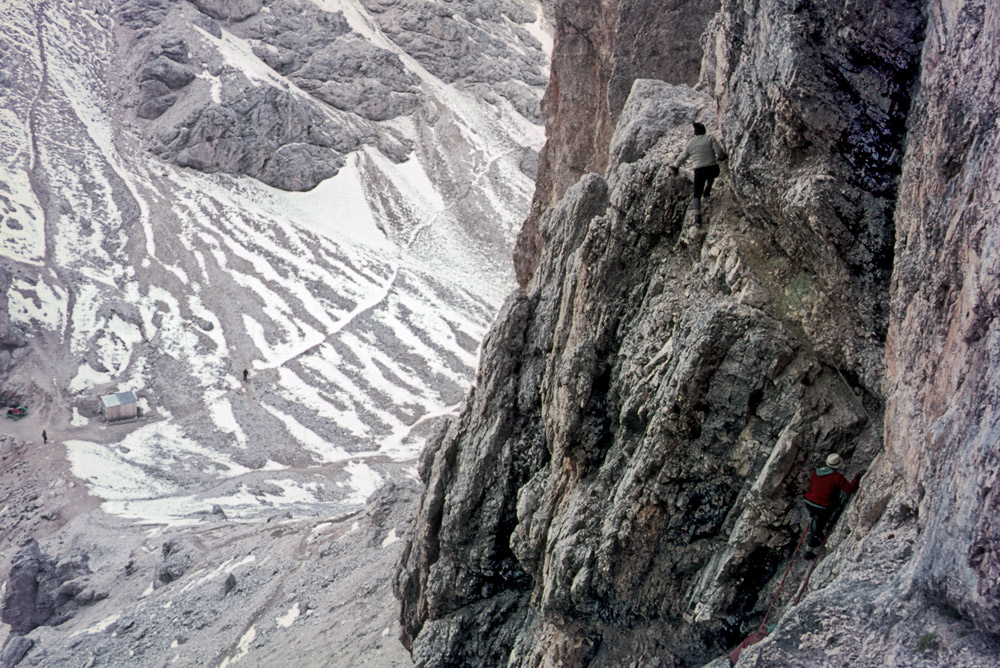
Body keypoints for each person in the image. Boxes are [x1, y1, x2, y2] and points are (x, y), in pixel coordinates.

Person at [802, 453, 864, 558]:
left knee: (816, 519)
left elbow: (813, 485)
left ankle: (815, 525)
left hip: (809, 501)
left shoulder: (816, 472)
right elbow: (849, 489)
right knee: (817, 528)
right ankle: (809, 550)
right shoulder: (836, 477)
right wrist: (857, 477)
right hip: (822, 506)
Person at [670, 122, 727, 220]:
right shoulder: (710, 138)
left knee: (697, 193)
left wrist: (676, 166)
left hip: (699, 171)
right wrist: (722, 157)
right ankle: (708, 186)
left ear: (695, 132)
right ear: (704, 130)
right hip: (711, 169)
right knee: (713, 171)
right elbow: (719, 153)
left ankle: (697, 217)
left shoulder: (691, 143)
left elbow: (683, 157)